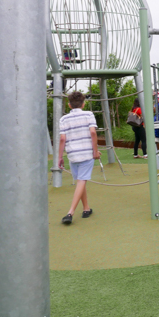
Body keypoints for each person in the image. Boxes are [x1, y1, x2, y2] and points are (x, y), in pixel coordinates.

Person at [59, 91, 101, 225]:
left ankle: (86, 208)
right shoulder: (89, 114)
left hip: (72, 154)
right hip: (86, 153)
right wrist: (95, 151)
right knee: (81, 181)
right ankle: (70, 212)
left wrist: (60, 157)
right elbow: (93, 132)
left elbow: (62, 139)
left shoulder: (63, 119)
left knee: (80, 181)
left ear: (69, 105)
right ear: (83, 104)